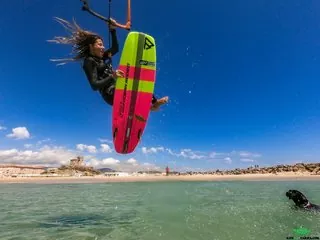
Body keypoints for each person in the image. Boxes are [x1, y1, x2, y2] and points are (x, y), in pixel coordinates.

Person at [48, 17, 169, 111]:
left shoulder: (102, 57)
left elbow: (115, 48)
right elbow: (94, 85)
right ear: (91, 46)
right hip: (110, 94)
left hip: (118, 87)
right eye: (99, 44)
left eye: (102, 44)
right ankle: (151, 105)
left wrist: (113, 29)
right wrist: (113, 76)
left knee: (134, 76)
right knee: (131, 84)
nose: (103, 47)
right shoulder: (89, 61)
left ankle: (152, 103)